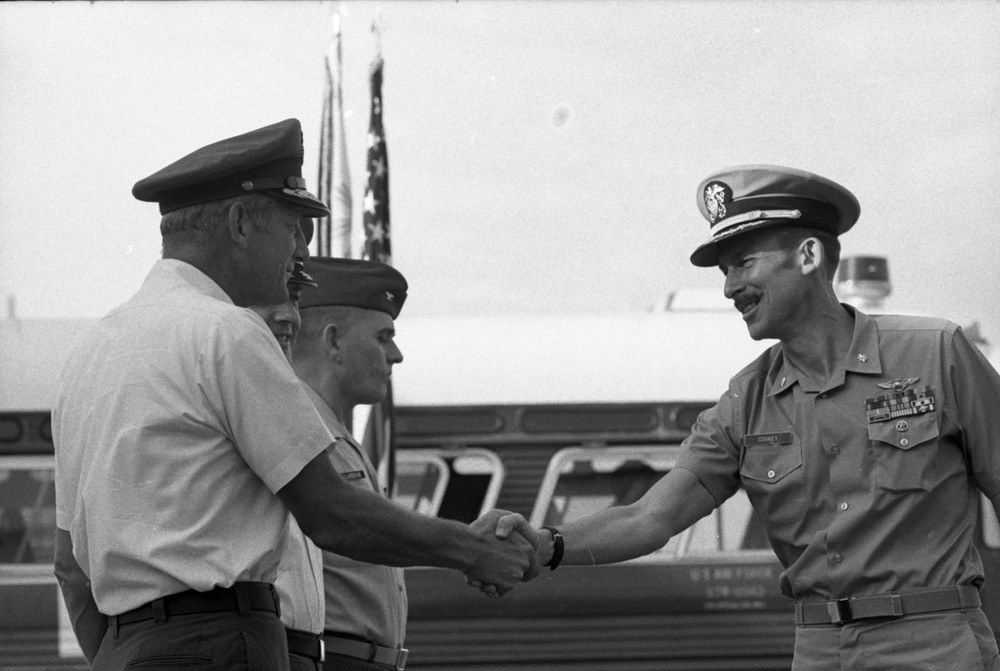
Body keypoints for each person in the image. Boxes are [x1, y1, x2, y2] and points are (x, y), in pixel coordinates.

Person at [52, 118, 538, 671]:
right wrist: (472, 550)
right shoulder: (227, 333)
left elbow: (70, 565)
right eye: (293, 227)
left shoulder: (89, 354)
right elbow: (333, 514)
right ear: (239, 223)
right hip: (224, 646)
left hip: (122, 650)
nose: (299, 250)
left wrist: (134, 653)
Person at [495, 165, 1000, 670]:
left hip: (936, 645)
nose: (730, 288)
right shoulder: (745, 401)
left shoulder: (937, 353)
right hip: (820, 649)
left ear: (808, 256)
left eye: (743, 263)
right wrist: (546, 546)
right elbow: (650, 517)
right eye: (725, 272)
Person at [289, 256, 411, 671]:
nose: (396, 355)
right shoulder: (295, 431)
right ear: (334, 341)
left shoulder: (333, 433)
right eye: (382, 337)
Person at [250, 262, 327, 671]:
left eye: (295, 297)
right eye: (269, 299)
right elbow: (337, 517)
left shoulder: (293, 405)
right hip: (269, 647)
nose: (288, 315)